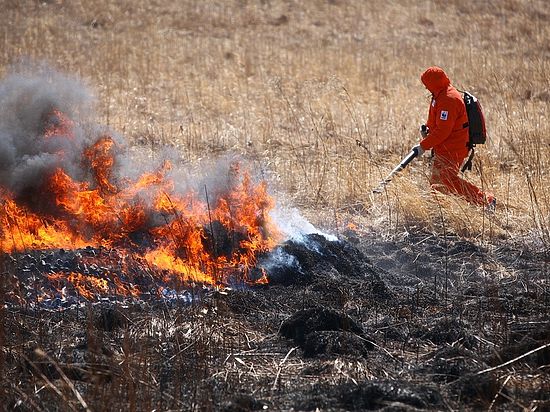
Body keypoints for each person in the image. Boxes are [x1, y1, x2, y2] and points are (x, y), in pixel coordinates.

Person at [412, 66, 495, 209]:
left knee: (448, 181)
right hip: (444, 147)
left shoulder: (448, 100)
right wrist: (428, 130)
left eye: (427, 85)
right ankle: (441, 212)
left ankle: (486, 200)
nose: (426, 88)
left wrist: (423, 146)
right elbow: (437, 123)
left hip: (453, 148)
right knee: (438, 183)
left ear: (434, 83)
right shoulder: (439, 95)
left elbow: (443, 131)